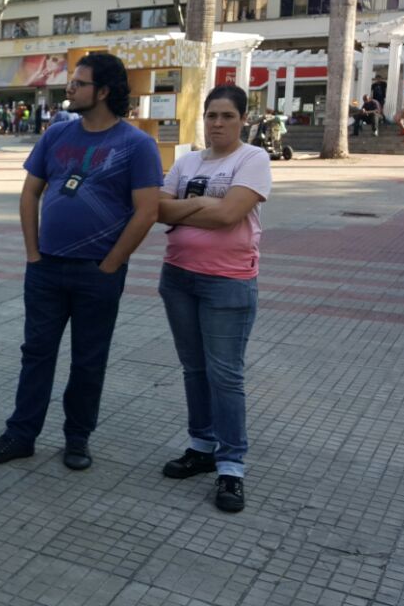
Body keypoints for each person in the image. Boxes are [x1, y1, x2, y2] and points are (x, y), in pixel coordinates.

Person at [0, 52, 161, 472]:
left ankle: (77, 438)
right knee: (35, 354)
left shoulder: (137, 145)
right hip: (46, 268)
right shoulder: (57, 134)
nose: (70, 89)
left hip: (98, 273)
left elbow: (147, 211)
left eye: (79, 83)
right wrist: (32, 253)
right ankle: (21, 435)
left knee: (88, 359)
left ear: (104, 91)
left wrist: (111, 265)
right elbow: (30, 193)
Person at [156, 84, 271, 514]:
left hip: (228, 282)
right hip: (178, 278)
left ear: (243, 120)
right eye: (211, 115)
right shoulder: (186, 161)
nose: (218, 123)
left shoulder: (252, 159)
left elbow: (229, 215)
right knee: (194, 369)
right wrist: (204, 204)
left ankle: (231, 467)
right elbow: (158, 211)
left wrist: (187, 204)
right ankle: (202, 447)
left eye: (227, 116)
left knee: (225, 375)